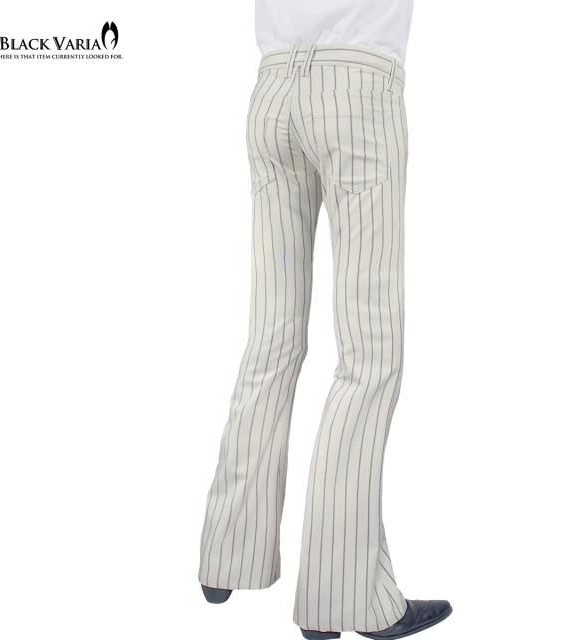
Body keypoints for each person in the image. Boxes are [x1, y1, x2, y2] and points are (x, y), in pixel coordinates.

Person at [198, 1, 452, 637]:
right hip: (356, 91)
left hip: (273, 92)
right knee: (370, 356)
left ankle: (228, 554)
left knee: (273, 337)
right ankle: (341, 597)